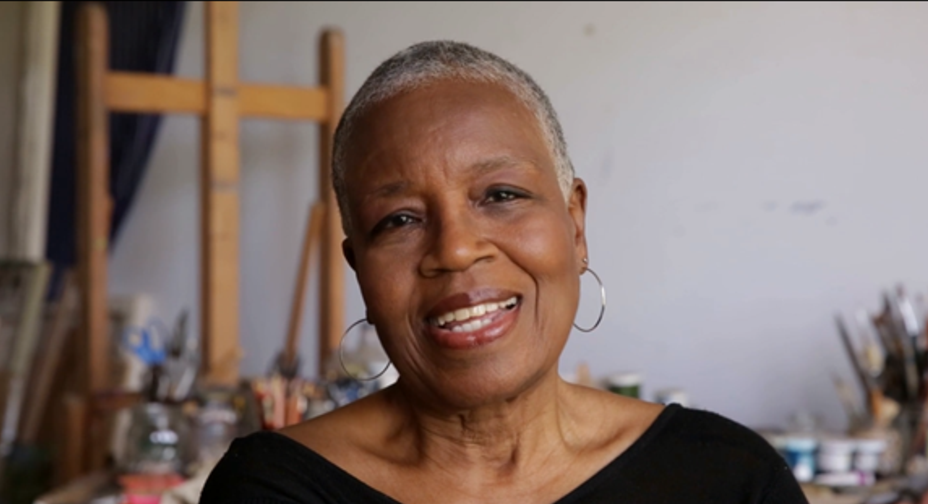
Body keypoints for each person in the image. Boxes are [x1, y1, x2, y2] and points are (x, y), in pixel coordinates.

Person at [200, 41, 807, 504]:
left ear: (575, 226)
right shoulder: (274, 490)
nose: (457, 250)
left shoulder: (728, 479)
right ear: (359, 267)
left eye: (500, 195)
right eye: (400, 219)